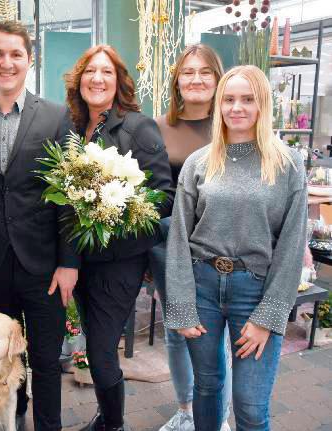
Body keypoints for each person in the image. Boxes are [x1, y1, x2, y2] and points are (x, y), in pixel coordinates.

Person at [165, 65, 307, 431]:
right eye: (229, 99)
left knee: (250, 404)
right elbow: (179, 237)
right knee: (208, 388)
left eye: (248, 99)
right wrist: (181, 306)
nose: (236, 107)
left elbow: (292, 245)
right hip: (203, 288)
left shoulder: (287, 164)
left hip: (254, 292)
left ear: (263, 105)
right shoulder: (199, 162)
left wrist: (268, 317)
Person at [0, 21, 80, 431]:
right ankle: (13, 417)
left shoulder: (58, 117)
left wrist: (69, 262)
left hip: (44, 264)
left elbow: (70, 197)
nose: (6, 63)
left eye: (15, 54)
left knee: (45, 359)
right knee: (1, 356)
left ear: (30, 60)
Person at [65, 45, 174, 431]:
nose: (98, 79)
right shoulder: (73, 128)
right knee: (95, 343)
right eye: (90, 71)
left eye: (106, 72)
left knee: (100, 350)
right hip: (81, 262)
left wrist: (120, 212)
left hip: (121, 261)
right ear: (79, 81)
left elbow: (165, 196)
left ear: (119, 81)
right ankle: (106, 417)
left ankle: (113, 424)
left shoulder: (138, 126)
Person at [147, 44, 232, 431]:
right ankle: (185, 411)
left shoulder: (235, 125)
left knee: (217, 338)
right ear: (176, 81)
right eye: (187, 72)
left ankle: (219, 415)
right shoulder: (158, 127)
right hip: (168, 247)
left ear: (218, 78)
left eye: (205, 72)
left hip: (220, 251)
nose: (196, 79)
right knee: (178, 334)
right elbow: (147, 191)